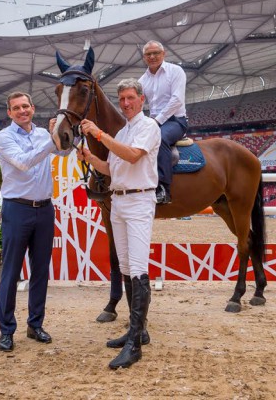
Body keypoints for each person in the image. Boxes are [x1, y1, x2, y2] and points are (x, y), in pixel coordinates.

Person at [78, 78, 160, 369]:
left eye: (129, 98)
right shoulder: (123, 130)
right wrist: (89, 156)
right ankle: (134, 330)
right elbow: (110, 166)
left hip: (139, 201)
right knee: (125, 268)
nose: (125, 103)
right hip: (119, 200)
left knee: (138, 269)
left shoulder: (149, 127)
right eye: (121, 99)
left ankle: (135, 345)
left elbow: (132, 156)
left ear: (141, 98)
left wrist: (99, 134)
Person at [0, 91, 70, 353]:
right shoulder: (4, 137)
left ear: (33, 107)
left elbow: (65, 152)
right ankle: (6, 330)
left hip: (44, 209)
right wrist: (51, 141)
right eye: (16, 108)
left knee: (40, 271)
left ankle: (35, 324)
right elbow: (24, 163)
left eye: (25, 106)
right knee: (11, 272)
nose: (22, 111)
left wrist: (60, 133)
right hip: (17, 209)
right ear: (9, 112)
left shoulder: (41, 135)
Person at [139, 40, 188, 205]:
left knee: (158, 138)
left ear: (163, 54)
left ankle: (163, 189)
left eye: (156, 53)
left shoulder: (175, 71)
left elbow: (177, 100)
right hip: (152, 122)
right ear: (144, 57)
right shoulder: (142, 80)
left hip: (176, 121)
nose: (152, 57)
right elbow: (137, 104)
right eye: (148, 54)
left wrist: (156, 121)